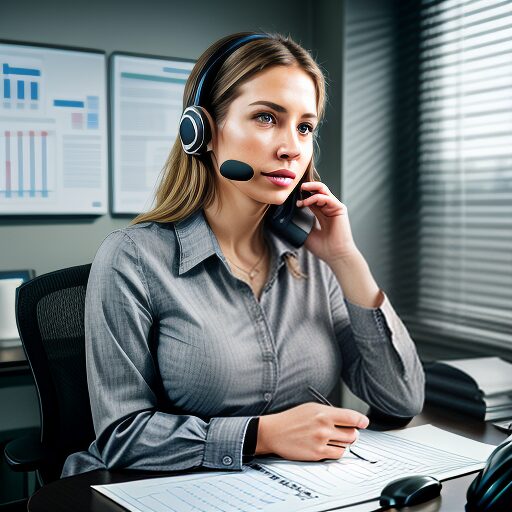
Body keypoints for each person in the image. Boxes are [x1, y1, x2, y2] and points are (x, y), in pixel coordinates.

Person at [62, 31, 424, 477]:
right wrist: (263, 435)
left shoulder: (312, 260)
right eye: (267, 118)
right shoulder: (133, 259)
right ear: (203, 132)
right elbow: (123, 438)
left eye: (305, 126)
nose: (292, 146)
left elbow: (401, 399)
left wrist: (346, 258)